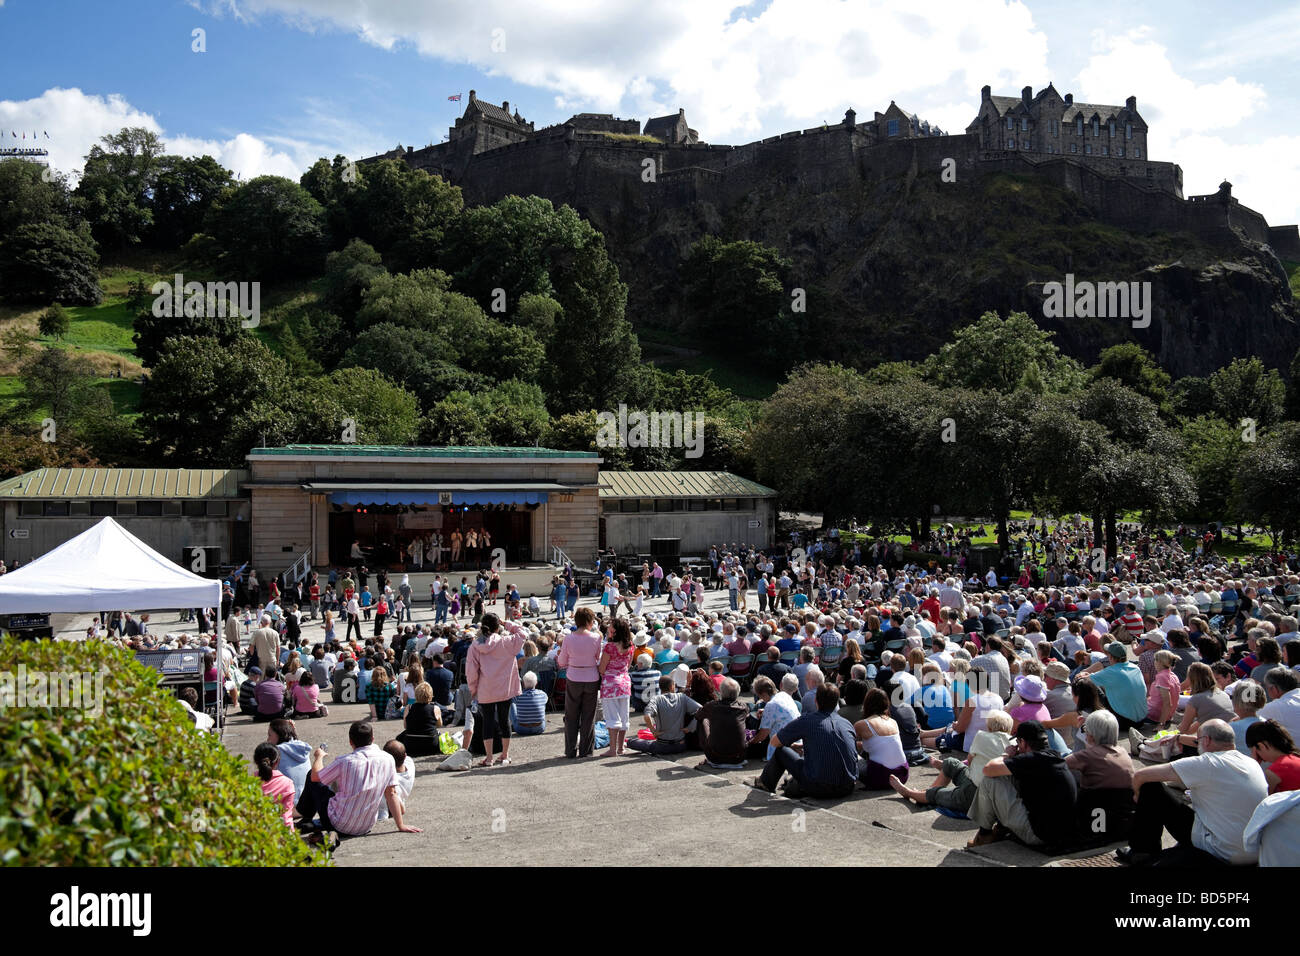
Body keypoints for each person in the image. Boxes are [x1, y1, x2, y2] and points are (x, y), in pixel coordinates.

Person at [1118, 718, 1267, 866]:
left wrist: (1138, 796)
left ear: (1206, 740)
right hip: (1253, 851)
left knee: (1151, 788)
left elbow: (1141, 775)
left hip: (1221, 850)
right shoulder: (1250, 762)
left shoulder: (1208, 762)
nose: (1197, 745)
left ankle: (1142, 851)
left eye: (1197, 741)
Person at [296, 721, 421, 839]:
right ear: (372, 739)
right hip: (365, 827)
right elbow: (391, 793)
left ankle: (304, 816)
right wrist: (401, 825)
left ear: (351, 741)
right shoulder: (388, 759)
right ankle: (309, 820)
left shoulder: (344, 761)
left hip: (338, 825)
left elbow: (315, 777)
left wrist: (319, 757)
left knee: (311, 776)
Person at [967, 720, 1078, 849]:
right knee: (1008, 777)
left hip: (1039, 836)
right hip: (1063, 833)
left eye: (1018, 743)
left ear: (1023, 742)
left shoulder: (1030, 760)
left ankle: (984, 836)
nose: (1017, 747)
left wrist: (1007, 754)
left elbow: (988, 769)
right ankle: (1000, 830)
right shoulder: (1055, 757)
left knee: (989, 782)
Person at [889, 710, 1014, 815]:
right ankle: (925, 793)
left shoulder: (982, 736)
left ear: (990, 726)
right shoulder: (1013, 743)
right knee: (950, 763)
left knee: (937, 794)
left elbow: (970, 761)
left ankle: (911, 793)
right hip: (988, 791)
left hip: (974, 794)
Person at [753, 683, 858, 799]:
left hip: (820, 787)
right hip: (848, 786)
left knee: (780, 751)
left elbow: (774, 742)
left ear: (815, 701)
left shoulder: (807, 721)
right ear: (836, 702)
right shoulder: (847, 723)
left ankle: (765, 783)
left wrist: (790, 745)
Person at [466, 612, 529, 768]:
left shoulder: (475, 646)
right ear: (497, 626)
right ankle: (505, 754)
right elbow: (523, 633)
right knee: (504, 720)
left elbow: (471, 671)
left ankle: (489, 758)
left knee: (487, 721)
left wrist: (473, 689)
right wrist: (506, 623)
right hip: (505, 688)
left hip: (486, 688)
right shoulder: (507, 642)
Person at [559, 607, 603, 759]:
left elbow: (561, 661)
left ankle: (570, 750)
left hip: (574, 677)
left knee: (571, 716)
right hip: (591, 677)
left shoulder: (568, 638)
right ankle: (586, 751)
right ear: (590, 622)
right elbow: (598, 658)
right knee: (588, 716)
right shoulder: (596, 638)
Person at [628, 675, 703, 755]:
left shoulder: (656, 699)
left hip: (662, 746)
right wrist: (690, 728)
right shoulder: (682, 697)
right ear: (671, 686)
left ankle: (626, 743)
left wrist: (654, 731)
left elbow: (647, 716)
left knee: (631, 742)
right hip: (681, 745)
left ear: (660, 687)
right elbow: (701, 710)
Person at [1085, 642, 1148, 731]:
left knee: (1088, 685)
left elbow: (1086, 679)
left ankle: (1089, 719)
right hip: (1141, 720)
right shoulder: (1135, 667)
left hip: (1124, 722)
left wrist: (1081, 673)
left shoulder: (1111, 671)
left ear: (1110, 657)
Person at [855, 688, 909, 789]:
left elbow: (847, 744)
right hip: (902, 776)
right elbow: (880, 744)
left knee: (852, 755)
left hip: (880, 777)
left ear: (866, 704)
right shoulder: (893, 722)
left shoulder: (862, 724)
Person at [598, 618, 635, 757]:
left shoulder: (609, 647)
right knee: (624, 716)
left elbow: (602, 668)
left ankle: (613, 749)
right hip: (625, 682)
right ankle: (621, 748)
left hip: (610, 684)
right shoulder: (631, 646)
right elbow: (628, 665)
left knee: (612, 717)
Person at [694, 677, 750, 768]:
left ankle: (703, 747)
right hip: (739, 756)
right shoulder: (743, 707)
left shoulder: (712, 706)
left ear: (721, 692)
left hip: (715, 757)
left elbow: (697, 716)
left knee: (703, 720)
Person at [1245, 719, 1300, 793]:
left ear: (1261, 746)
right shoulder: (1297, 757)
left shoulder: (1274, 772)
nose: (1262, 760)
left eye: (1254, 751)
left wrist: (1253, 766)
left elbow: (1257, 799)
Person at [253, 743, 296, 827]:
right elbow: (286, 818)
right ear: (277, 761)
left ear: (255, 761)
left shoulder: (249, 783)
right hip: (276, 833)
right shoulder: (287, 784)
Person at [267, 719, 312, 801]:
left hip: (287, 803)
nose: (267, 740)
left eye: (270, 735)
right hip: (306, 803)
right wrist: (291, 731)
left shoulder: (276, 752)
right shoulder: (301, 748)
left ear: (279, 735)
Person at [397, 682, 444, 756]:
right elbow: (439, 725)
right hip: (431, 745)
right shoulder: (435, 708)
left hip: (411, 745)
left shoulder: (409, 707)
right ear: (430, 695)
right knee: (440, 735)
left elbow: (406, 726)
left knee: (399, 737)